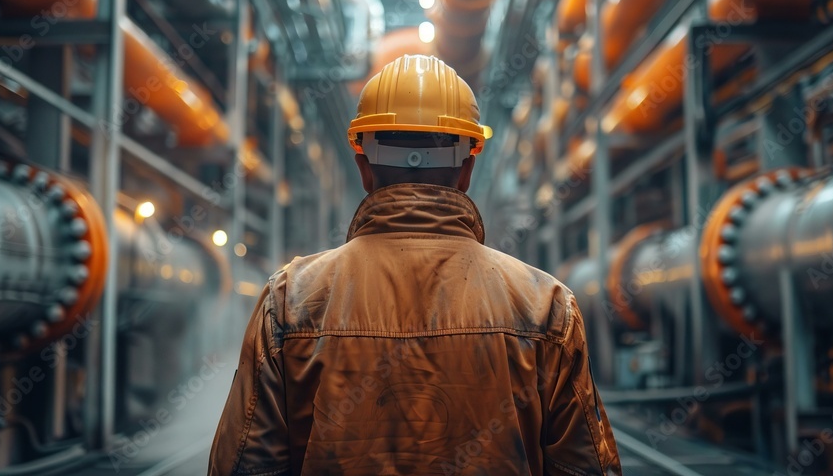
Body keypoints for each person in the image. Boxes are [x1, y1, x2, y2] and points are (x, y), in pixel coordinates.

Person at [208, 55, 621, 475]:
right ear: (467, 170)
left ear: (364, 168)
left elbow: (244, 466)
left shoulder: (289, 300)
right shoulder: (546, 306)